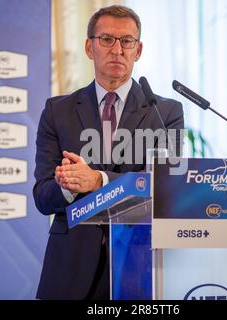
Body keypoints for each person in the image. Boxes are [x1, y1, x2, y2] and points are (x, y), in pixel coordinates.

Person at [33, 5, 184, 299]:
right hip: (70, 270)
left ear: (138, 50)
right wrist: (67, 186)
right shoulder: (57, 111)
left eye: (127, 41)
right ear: (89, 47)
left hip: (139, 262)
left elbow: (165, 187)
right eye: (107, 40)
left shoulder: (165, 113)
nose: (118, 50)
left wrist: (98, 181)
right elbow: (42, 196)